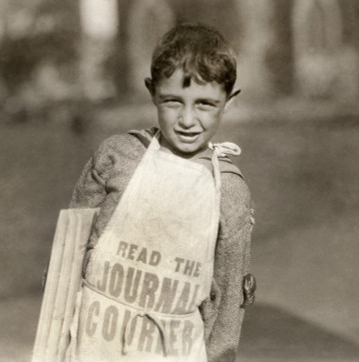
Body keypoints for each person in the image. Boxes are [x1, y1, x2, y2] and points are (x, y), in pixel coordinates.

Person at [67, 23, 255, 362]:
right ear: (152, 92)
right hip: (95, 341)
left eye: (205, 104)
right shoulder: (117, 156)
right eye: (173, 101)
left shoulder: (228, 189)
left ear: (229, 102)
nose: (187, 119)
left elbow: (227, 302)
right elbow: (69, 251)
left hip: (174, 349)